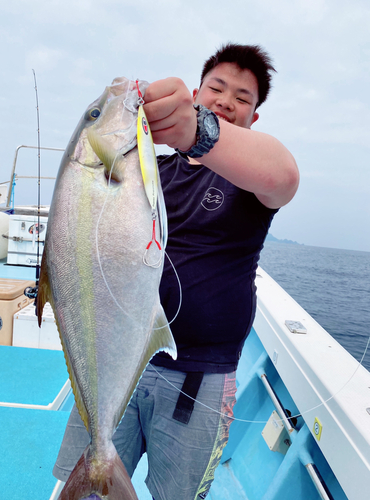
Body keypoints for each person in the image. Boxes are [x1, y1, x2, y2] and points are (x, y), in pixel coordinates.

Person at [53, 43, 299, 500]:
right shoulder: (148, 168)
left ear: (254, 119)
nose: (227, 100)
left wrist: (198, 132)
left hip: (198, 380)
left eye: (242, 98)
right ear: (195, 91)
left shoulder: (250, 179)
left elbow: (283, 175)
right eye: (217, 88)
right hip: (117, 362)